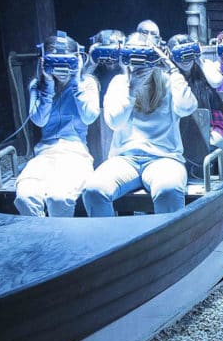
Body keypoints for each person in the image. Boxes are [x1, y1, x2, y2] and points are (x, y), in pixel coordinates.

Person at [81, 32, 199, 216]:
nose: (139, 63)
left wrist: (173, 70)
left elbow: (187, 107)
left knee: (168, 189)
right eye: (133, 56)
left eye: (144, 56)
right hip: (125, 159)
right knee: (94, 189)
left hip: (164, 158)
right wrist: (131, 89)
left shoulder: (168, 81)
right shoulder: (119, 82)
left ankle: (168, 235)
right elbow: (114, 123)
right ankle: (110, 234)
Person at [14, 31, 98, 217]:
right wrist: (48, 86)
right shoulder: (37, 86)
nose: (62, 67)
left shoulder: (87, 84)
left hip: (75, 153)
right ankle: (41, 233)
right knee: (26, 197)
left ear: (77, 59)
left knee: (58, 198)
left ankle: (61, 235)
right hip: (45, 154)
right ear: (44, 60)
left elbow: (90, 117)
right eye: (55, 61)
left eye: (67, 61)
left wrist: (75, 81)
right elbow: (39, 120)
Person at [167, 33, 223, 151]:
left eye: (189, 54)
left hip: (211, 127)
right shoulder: (170, 77)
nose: (185, 60)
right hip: (180, 131)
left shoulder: (205, 67)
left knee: (206, 148)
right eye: (179, 55)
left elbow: (216, 81)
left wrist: (199, 60)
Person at [84, 29, 126, 164]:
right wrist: (91, 62)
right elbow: (79, 87)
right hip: (95, 125)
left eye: (114, 51)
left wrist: (124, 62)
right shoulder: (93, 72)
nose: (109, 58)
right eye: (105, 51)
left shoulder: (126, 72)